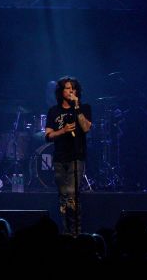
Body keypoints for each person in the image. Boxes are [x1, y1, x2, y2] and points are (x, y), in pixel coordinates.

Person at [44, 76, 92, 235]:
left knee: (72, 195)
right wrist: (63, 131)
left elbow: (85, 128)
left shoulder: (84, 108)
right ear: (61, 91)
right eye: (68, 88)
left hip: (76, 157)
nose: (71, 90)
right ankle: (66, 234)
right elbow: (48, 135)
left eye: (74, 88)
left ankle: (76, 233)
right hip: (59, 158)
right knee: (63, 199)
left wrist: (77, 106)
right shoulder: (53, 111)